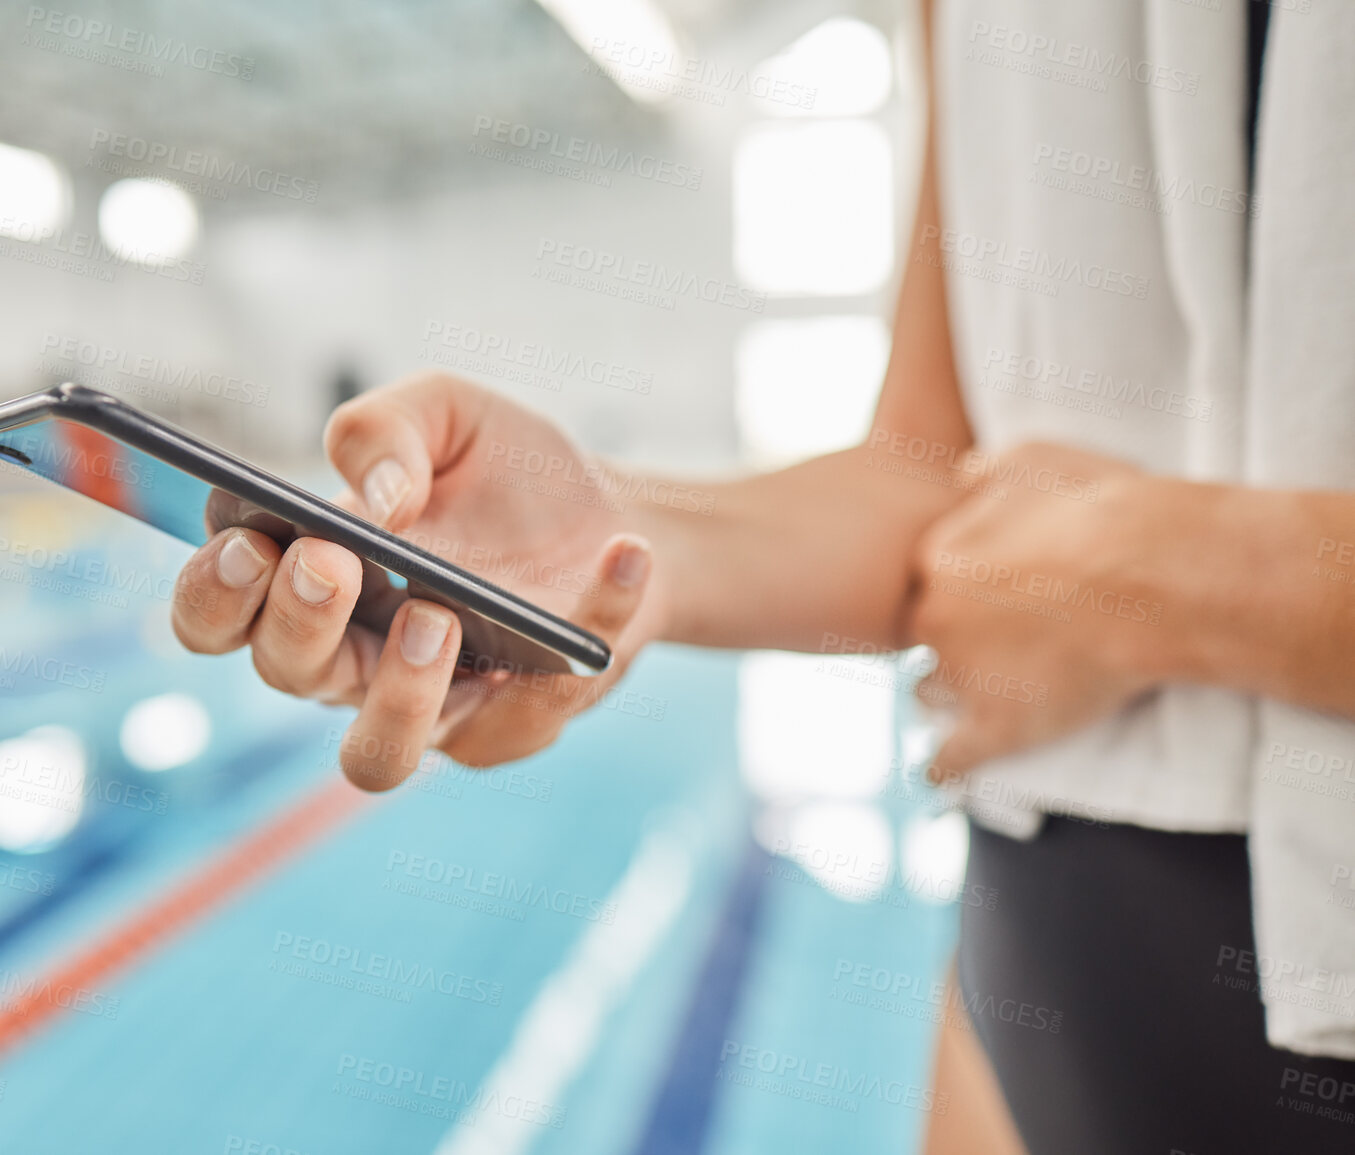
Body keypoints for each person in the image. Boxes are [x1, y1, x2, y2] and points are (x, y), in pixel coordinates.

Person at [171, 1, 1355, 1150]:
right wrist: (623, 548)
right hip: (1034, 1006)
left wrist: (1186, 581)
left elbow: (1047, 558)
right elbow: (931, 477)